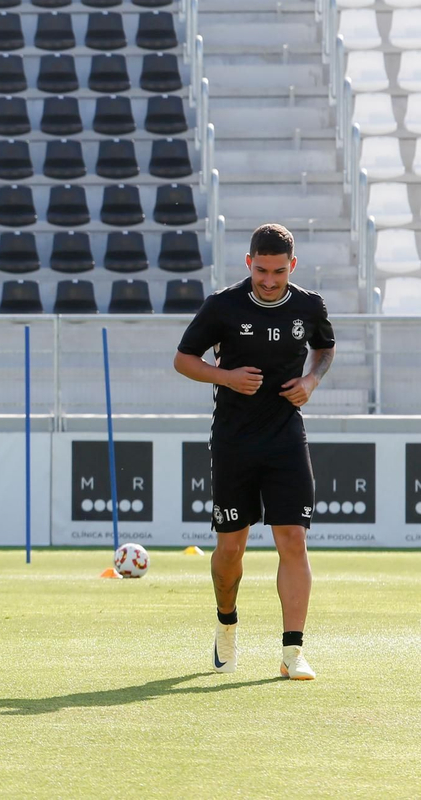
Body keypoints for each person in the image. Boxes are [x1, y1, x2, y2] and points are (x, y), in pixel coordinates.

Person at [174, 223, 334, 681]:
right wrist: (225, 377)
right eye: (261, 270)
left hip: (286, 436)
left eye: (278, 272)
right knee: (231, 549)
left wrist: (311, 380)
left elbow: (325, 348)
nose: (269, 280)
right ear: (248, 262)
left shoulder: (309, 305)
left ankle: (292, 652)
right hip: (234, 440)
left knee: (293, 539)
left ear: (292, 266)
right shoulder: (222, 305)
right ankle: (226, 625)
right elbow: (183, 359)